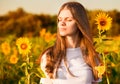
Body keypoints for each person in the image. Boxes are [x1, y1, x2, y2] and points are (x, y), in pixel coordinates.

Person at [40, 1, 102, 84]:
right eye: (59, 19)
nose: (62, 23)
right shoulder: (49, 56)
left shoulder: (93, 56)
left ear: (79, 23)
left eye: (68, 20)